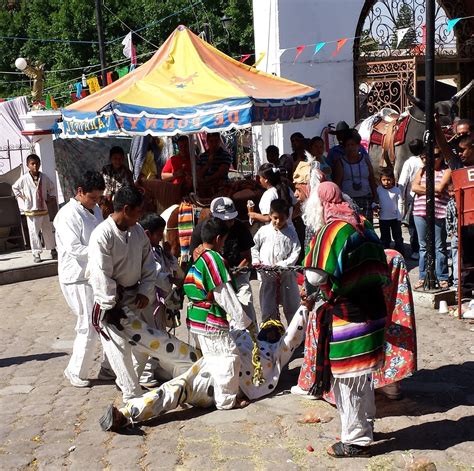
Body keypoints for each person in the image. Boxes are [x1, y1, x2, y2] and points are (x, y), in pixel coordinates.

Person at [99, 306, 310, 432]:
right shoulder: (244, 336)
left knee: (175, 389)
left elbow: (292, 339)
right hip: (205, 361)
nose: (271, 330)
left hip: (218, 383)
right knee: (166, 343)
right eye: (269, 327)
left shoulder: (275, 353)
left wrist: (304, 308)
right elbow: (227, 321)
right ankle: (124, 322)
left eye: (276, 329)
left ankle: (126, 414)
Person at [299, 181, 389, 458]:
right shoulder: (362, 223)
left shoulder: (333, 229)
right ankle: (366, 426)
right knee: (362, 376)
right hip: (374, 307)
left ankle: (356, 440)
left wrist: (317, 287)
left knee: (348, 377)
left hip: (350, 312)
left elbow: (315, 275)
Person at [87, 185, 198, 402]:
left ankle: (129, 383)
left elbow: (149, 266)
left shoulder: (137, 232)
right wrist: (111, 305)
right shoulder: (102, 235)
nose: (140, 216)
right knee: (119, 349)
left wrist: (145, 291)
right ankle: (132, 396)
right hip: (110, 306)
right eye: (138, 211)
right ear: (126, 209)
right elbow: (100, 274)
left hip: (134, 297)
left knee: (143, 345)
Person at [54, 171, 114, 387]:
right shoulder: (67, 215)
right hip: (77, 277)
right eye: (93, 197)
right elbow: (74, 248)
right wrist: (101, 251)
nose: (97, 201)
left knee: (106, 320)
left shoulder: (95, 209)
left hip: (95, 274)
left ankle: (110, 367)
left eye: (99, 197)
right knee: (88, 325)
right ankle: (75, 370)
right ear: (80, 192)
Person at [184, 218, 252, 410]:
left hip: (195, 318)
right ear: (219, 238)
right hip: (209, 318)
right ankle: (227, 399)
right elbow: (224, 295)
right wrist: (244, 321)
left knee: (212, 358)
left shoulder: (199, 257)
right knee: (229, 357)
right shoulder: (213, 259)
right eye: (224, 240)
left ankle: (214, 393)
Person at [189, 197, 256, 324]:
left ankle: (252, 337)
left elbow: (247, 258)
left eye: (231, 219)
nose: (229, 223)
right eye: (224, 219)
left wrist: (230, 275)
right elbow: (196, 256)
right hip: (211, 279)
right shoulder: (201, 230)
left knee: (245, 306)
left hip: (238, 275)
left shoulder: (240, 228)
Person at [251, 199, 301, 323]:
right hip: (267, 276)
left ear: (287, 217)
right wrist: (256, 261)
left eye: (282, 219)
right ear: (270, 215)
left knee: (292, 309)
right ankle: (270, 338)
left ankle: (295, 340)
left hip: (286, 276)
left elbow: (296, 252)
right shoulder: (263, 231)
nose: (278, 222)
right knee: (268, 310)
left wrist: (282, 265)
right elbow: (254, 247)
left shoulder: (291, 233)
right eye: (275, 218)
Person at [412, 147, 451, 290]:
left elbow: (441, 188)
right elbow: (414, 187)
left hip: (439, 212)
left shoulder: (447, 170)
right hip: (420, 212)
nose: (433, 158)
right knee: (423, 246)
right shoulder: (422, 171)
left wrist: (425, 189)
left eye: (436, 155)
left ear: (441, 156)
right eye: (430, 155)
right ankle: (423, 276)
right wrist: (432, 190)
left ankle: (442, 277)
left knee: (440, 246)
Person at [12, 154, 57, 263]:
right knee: (34, 232)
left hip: (44, 210)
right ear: (28, 165)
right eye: (32, 164)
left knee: (47, 230)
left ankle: (52, 249)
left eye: (37, 163)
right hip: (31, 210)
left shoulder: (44, 177)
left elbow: (52, 187)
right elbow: (15, 187)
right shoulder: (24, 178)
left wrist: (50, 198)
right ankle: (36, 253)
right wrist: (22, 197)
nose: (35, 166)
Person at [333, 130, 378, 223]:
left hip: (366, 198)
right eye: (347, 145)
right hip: (348, 200)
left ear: (358, 146)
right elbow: (338, 183)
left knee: (367, 226)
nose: (350, 147)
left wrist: (376, 196)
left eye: (352, 145)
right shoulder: (340, 162)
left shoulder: (365, 160)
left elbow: (371, 178)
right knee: (352, 226)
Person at [398, 138, 424, 260]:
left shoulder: (409, 163)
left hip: (412, 199)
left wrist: (401, 201)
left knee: (413, 226)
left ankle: (415, 250)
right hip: (425, 196)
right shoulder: (426, 161)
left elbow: (402, 182)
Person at [377, 167, 404, 255]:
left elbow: (400, 203)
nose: (386, 182)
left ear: (393, 179)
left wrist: (399, 217)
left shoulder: (396, 190)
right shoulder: (379, 190)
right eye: (384, 180)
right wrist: (374, 206)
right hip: (383, 218)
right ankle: (386, 254)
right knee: (385, 238)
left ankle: (400, 253)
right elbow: (375, 201)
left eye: (388, 180)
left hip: (395, 219)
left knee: (398, 237)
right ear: (380, 180)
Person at [101, 146, 134, 217]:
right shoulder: (105, 169)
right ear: (110, 159)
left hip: (120, 203)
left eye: (120, 159)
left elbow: (128, 190)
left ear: (123, 159)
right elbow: (104, 184)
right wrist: (108, 195)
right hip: (106, 201)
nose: (118, 161)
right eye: (115, 158)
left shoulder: (127, 172)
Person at [446, 184, 458, 288]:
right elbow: (448, 219)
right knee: (455, 259)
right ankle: (456, 282)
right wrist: (450, 231)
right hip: (456, 234)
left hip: (464, 233)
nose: (451, 194)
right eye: (449, 191)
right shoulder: (450, 204)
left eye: (453, 191)